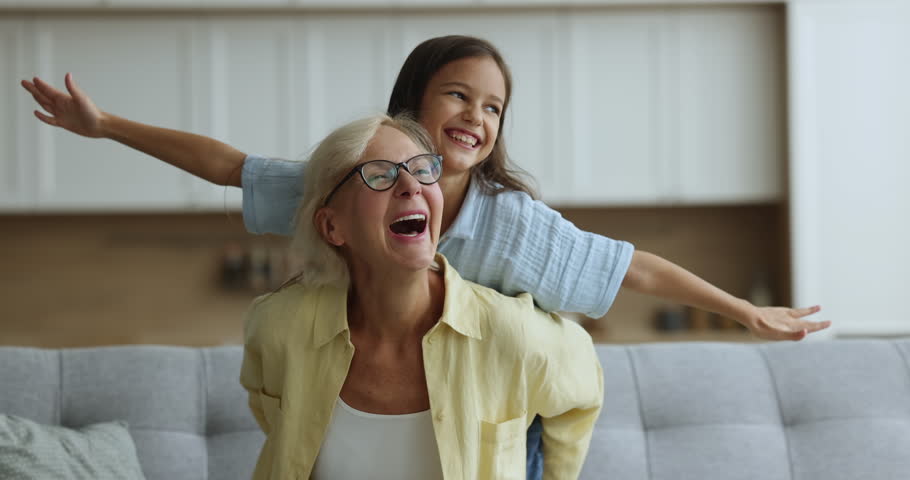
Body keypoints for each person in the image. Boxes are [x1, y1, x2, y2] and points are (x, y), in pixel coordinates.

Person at [21, 34, 830, 479]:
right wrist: (107, 127)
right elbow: (229, 165)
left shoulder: (512, 224)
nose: (476, 115)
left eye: (494, 107)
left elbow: (630, 269)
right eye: (458, 94)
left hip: (496, 425)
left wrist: (744, 311)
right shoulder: (348, 189)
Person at [240, 112, 603, 479]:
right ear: (333, 226)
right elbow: (283, 435)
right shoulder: (277, 327)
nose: (411, 185)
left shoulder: (512, 332)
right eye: (380, 174)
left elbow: (582, 393)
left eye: (422, 168)